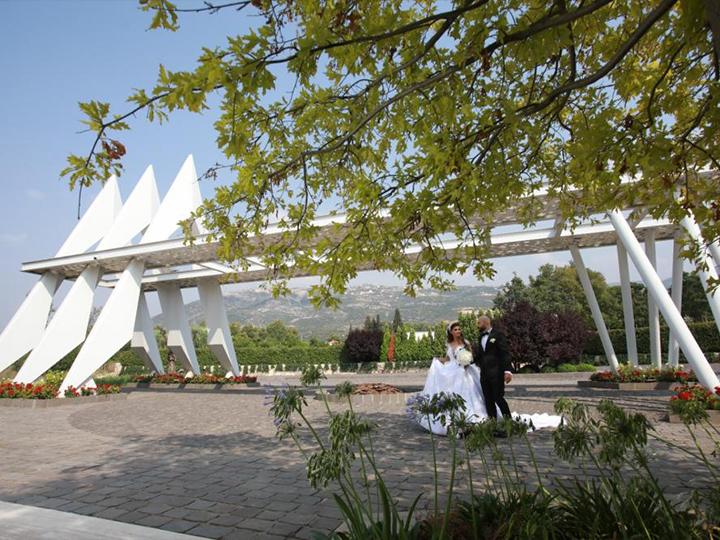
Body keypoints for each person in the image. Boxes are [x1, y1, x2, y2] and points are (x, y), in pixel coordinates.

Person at [415, 321, 492, 435]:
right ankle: (457, 419)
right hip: (454, 370)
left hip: (467, 371)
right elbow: (448, 358)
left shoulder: (466, 342)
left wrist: (467, 361)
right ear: (451, 332)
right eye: (455, 330)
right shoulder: (449, 344)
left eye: (459, 329)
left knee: (474, 392)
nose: (458, 331)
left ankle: (477, 416)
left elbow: (472, 355)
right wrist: (437, 360)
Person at [474, 315, 512, 424]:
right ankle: (493, 424)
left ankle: (509, 422)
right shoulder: (481, 336)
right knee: (488, 400)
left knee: (498, 398)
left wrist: (507, 371)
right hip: (484, 374)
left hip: (497, 374)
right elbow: (480, 355)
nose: (478, 326)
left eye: (479, 323)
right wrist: (467, 362)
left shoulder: (498, 334)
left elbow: (505, 353)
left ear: (486, 322)